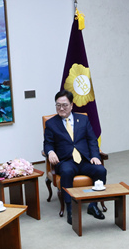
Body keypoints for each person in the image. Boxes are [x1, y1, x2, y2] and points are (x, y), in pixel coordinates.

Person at [44, 89, 107, 224]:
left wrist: (95, 156)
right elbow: (47, 143)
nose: (61, 108)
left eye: (65, 105)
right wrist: (50, 152)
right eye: (58, 105)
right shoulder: (51, 123)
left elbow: (92, 140)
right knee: (66, 172)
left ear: (72, 105)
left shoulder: (83, 119)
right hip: (66, 161)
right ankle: (70, 208)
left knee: (101, 170)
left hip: (84, 159)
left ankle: (93, 205)